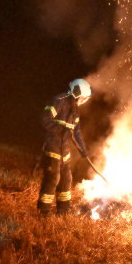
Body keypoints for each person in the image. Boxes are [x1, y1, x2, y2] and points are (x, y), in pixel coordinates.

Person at [37, 78, 91, 216]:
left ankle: (63, 210)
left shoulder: (75, 110)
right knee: (52, 178)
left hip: (64, 150)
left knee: (66, 179)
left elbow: (76, 132)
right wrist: (61, 129)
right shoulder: (58, 101)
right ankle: (44, 211)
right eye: (83, 97)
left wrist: (83, 150)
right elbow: (44, 120)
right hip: (52, 147)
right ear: (77, 93)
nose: (84, 100)